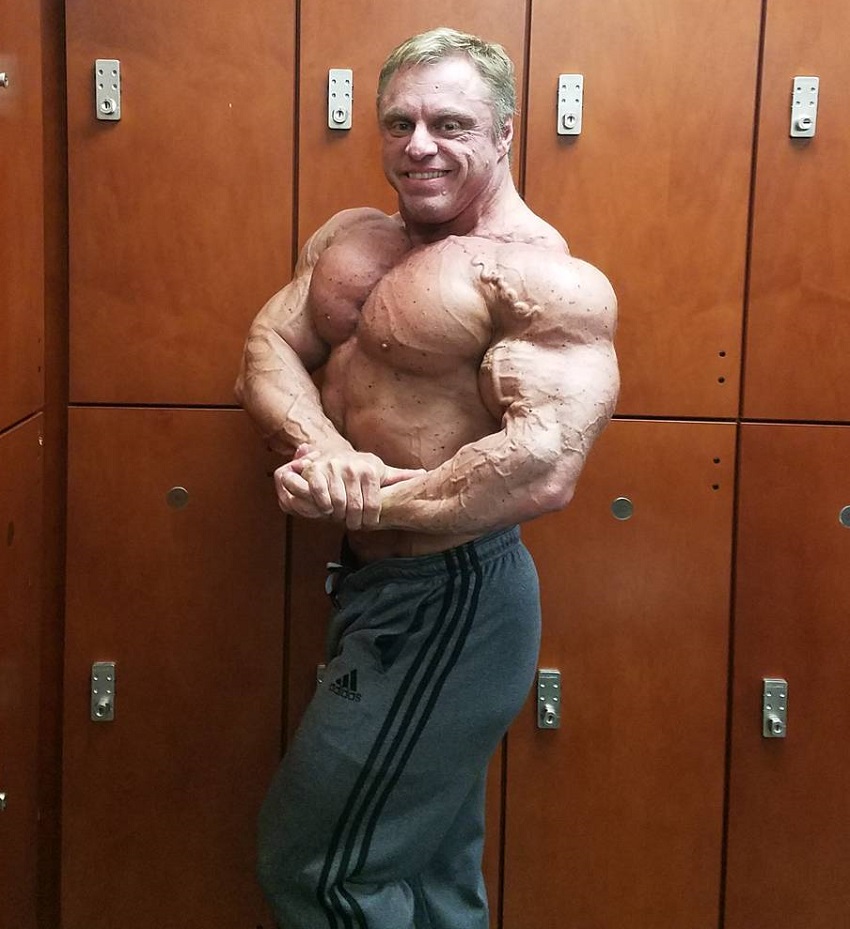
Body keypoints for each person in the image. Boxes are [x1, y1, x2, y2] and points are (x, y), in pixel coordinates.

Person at [235, 26, 619, 929]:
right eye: (399, 122)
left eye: (450, 123)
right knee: (434, 877)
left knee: (317, 865)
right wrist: (319, 447)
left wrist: (374, 494)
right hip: (374, 589)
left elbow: (544, 467)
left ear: (504, 133)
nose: (419, 144)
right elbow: (270, 345)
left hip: (451, 598)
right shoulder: (352, 240)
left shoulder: (541, 277)